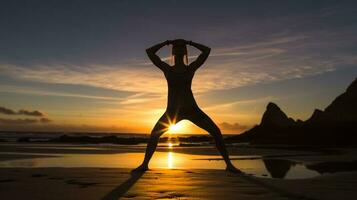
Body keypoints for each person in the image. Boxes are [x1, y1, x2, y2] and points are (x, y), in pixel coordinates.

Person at [133, 39, 241, 173]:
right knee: (154, 135)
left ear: (185, 51)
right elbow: (150, 52)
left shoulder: (190, 68)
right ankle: (144, 165)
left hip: (192, 109)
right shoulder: (168, 69)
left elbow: (206, 51)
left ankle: (229, 165)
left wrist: (189, 42)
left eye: (181, 47)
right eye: (176, 47)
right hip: (172, 111)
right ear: (173, 51)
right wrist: (167, 42)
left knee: (216, 132)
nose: (179, 48)